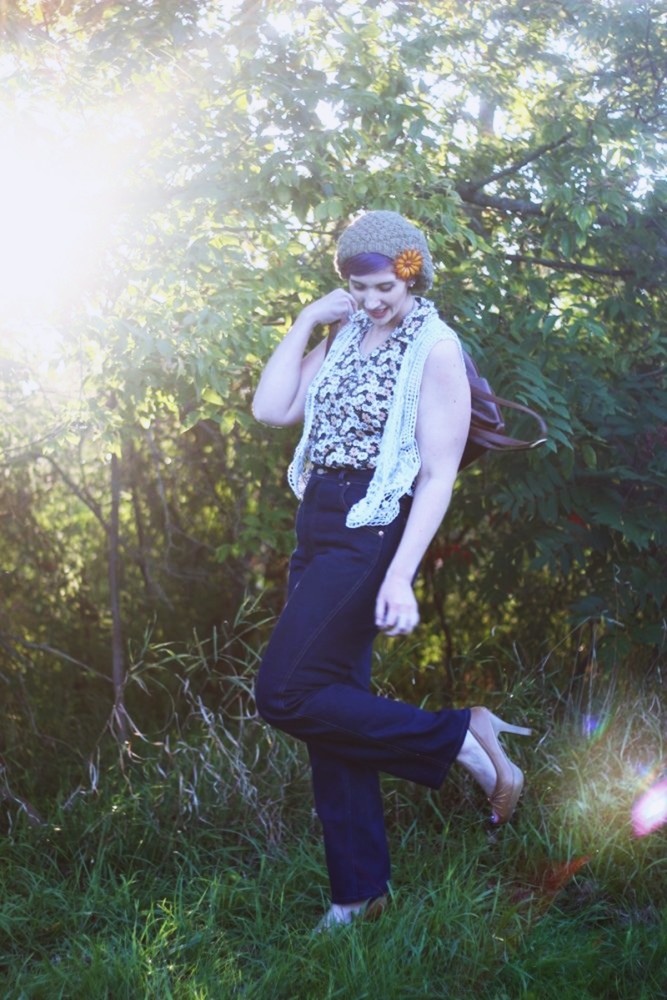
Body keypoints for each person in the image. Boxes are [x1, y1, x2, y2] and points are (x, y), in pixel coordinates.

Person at [252, 210, 531, 930]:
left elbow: (437, 476)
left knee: (283, 693)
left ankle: (459, 739)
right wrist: (309, 318)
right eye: (356, 286)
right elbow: (272, 407)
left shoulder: (434, 348)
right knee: (326, 707)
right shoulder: (344, 333)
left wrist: (399, 574)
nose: (371, 300)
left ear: (411, 273)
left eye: (381, 286)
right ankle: (359, 896)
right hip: (317, 517)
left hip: (371, 524)